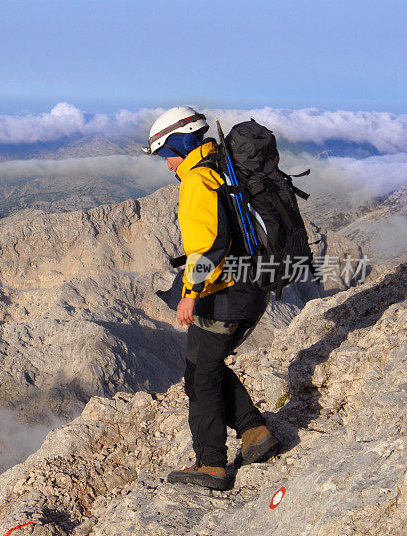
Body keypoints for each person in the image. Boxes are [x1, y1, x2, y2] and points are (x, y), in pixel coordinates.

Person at [144, 106, 282, 490]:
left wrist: (189, 293)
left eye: (166, 154)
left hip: (223, 295)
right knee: (205, 367)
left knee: (201, 379)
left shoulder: (197, 179)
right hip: (250, 288)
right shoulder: (221, 166)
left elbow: (208, 247)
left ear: (180, 144)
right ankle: (254, 432)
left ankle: (212, 465)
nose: (167, 164)